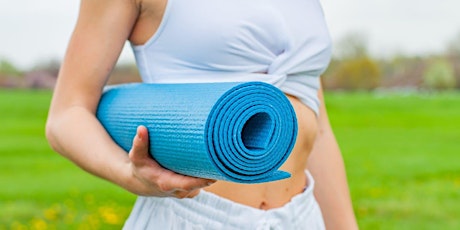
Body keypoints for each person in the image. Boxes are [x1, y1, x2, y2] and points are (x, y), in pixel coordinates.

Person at [46, 0, 358, 229]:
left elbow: (317, 130)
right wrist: (128, 173)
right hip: (195, 214)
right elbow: (67, 113)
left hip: (302, 216)